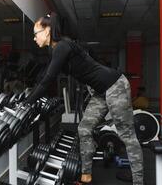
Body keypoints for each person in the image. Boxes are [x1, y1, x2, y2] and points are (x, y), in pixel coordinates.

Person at [25, 12, 144, 185]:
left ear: (47, 30)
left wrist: (26, 103)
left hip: (115, 85)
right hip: (99, 92)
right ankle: (86, 175)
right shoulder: (56, 49)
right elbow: (45, 75)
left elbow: (46, 81)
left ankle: (138, 181)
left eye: (35, 33)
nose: (34, 38)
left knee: (127, 135)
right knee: (84, 129)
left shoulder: (63, 46)